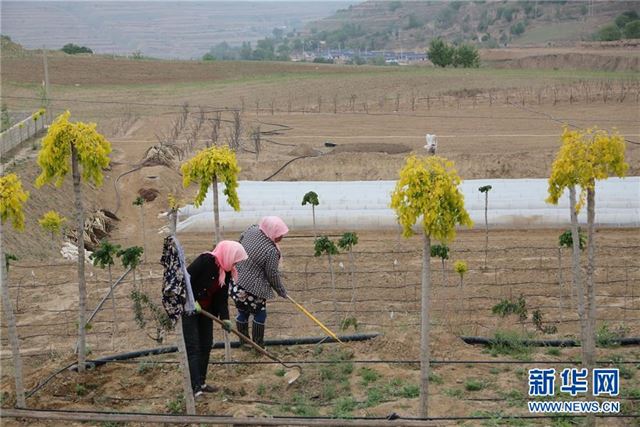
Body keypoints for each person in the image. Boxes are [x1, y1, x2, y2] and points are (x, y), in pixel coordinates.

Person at [183, 240, 247, 397]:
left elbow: (221, 298)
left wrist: (225, 318)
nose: (236, 264)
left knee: (206, 344)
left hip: (206, 311)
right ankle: (195, 387)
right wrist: (192, 301)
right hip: (189, 309)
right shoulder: (205, 261)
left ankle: (202, 382)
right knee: (193, 347)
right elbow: (185, 280)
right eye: (236, 260)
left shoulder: (226, 272)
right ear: (228, 255)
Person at [232, 216, 289, 348]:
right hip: (253, 288)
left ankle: (244, 343)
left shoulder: (252, 230)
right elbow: (272, 274)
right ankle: (258, 345)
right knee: (260, 314)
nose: (281, 237)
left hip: (237, 280)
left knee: (242, 312)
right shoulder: (271, 251)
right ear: (271, 231)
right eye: (279, 234)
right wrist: (281, 291)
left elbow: (239, 241)